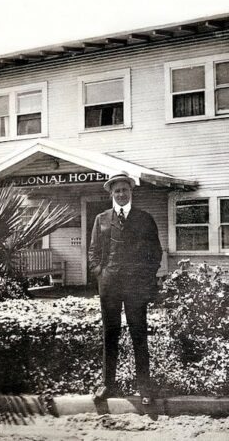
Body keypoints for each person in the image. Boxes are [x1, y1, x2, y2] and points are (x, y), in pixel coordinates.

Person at [88, 171, 162, 405]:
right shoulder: (101, 219)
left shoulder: (144, 219)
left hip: (135, 287)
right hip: (109, 286)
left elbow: (155, 253)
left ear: (131, 192)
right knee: (110, 334)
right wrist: (100, 273)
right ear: (111, 193)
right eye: (117, 190)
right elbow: (93, 252)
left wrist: (145, 276)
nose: (121, 194)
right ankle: (108, 385)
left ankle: (144, 387)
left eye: (125, 190)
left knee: (138, 334)